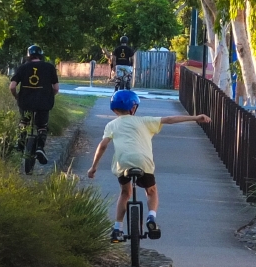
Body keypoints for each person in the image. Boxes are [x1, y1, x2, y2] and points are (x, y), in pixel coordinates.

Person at [87, 90, 210, 242]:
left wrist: (93, 167)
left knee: (125, 193)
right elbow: (170, 119)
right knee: (151, 191)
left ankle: (117, 229)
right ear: (133, 108)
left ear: (114, 108)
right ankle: (151, 217)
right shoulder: (144, 121)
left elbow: (103, 145)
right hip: (143, 163)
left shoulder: (111, 125)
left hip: (123, 164)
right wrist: (196, 117)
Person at [9, 44, 59, 164]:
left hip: (25, 102)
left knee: (24, 122)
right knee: (42, 126)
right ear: (41, 55)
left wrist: (17, 96)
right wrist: (48, 95)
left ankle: (20, 144)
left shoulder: (22, 68)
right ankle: (40, 148)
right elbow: (56, 88)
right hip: (43, 102)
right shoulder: (49, 67)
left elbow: (12, 86)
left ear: (28, 56)